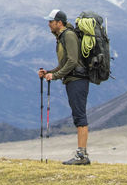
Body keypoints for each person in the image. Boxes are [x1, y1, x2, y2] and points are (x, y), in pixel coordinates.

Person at [38, 9, 90, 165]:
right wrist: (49, 72)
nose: (48, 24)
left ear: (58, 22)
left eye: (51, 21)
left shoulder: (68, 36)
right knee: (77, 115)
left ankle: (82, 155)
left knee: (80, 116)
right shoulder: (61, 37)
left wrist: (55, 76)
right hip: (73, 80)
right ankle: (82, 154)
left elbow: (73, 61)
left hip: (78, 80)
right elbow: (64, 64)